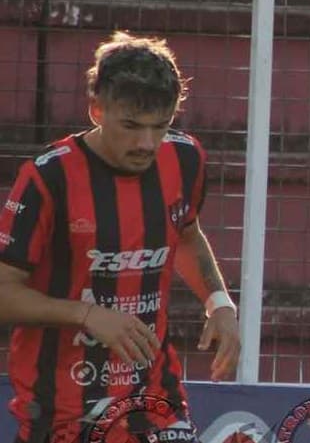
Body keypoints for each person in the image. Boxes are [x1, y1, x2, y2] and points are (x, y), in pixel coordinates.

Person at [0, 31, 240, 443]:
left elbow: (185, 233)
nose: (146, 143)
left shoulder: (185, 159)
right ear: (96, 109)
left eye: (160, 126)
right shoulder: (48, 177)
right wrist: (86, 314)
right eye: (130, 126)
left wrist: (219, 302)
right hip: (64, 411)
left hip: (155, 399)